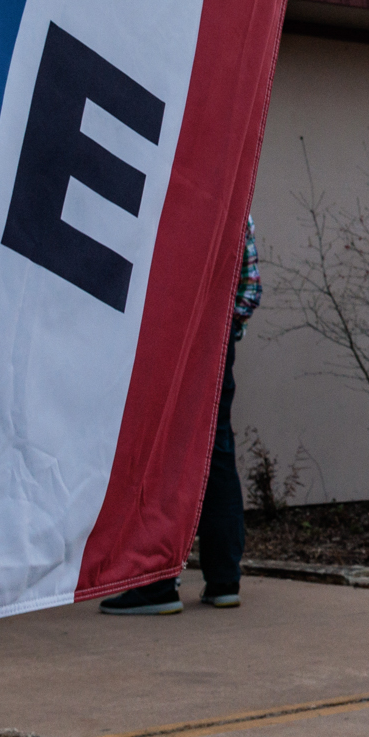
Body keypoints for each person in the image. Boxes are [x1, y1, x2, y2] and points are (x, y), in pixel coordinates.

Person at [100, 219, 262, 614]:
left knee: (157, 453)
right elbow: (250, 288)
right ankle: (224, 580)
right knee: (216, 450)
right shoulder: (232, 197)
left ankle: (156, 582)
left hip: (164, 337)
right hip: (214, 341)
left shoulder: (168, 190)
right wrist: (223, 330)